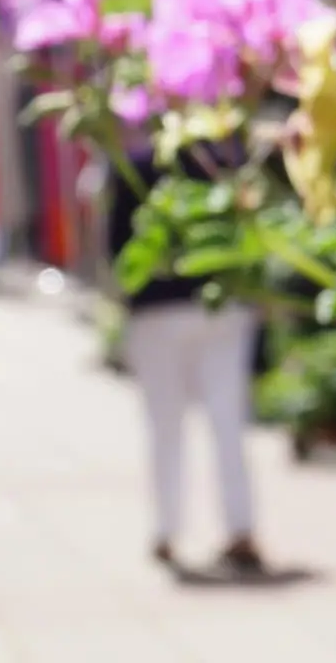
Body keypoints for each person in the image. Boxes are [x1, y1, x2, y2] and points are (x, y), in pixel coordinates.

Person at [107, 144, 263, 576]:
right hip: (220, 308)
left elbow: (116, 247)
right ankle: (240, 527)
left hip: (161, 312)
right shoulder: (225, 158)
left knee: (165, 426)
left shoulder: (137, 164)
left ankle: (166, 530)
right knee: (227, 421)